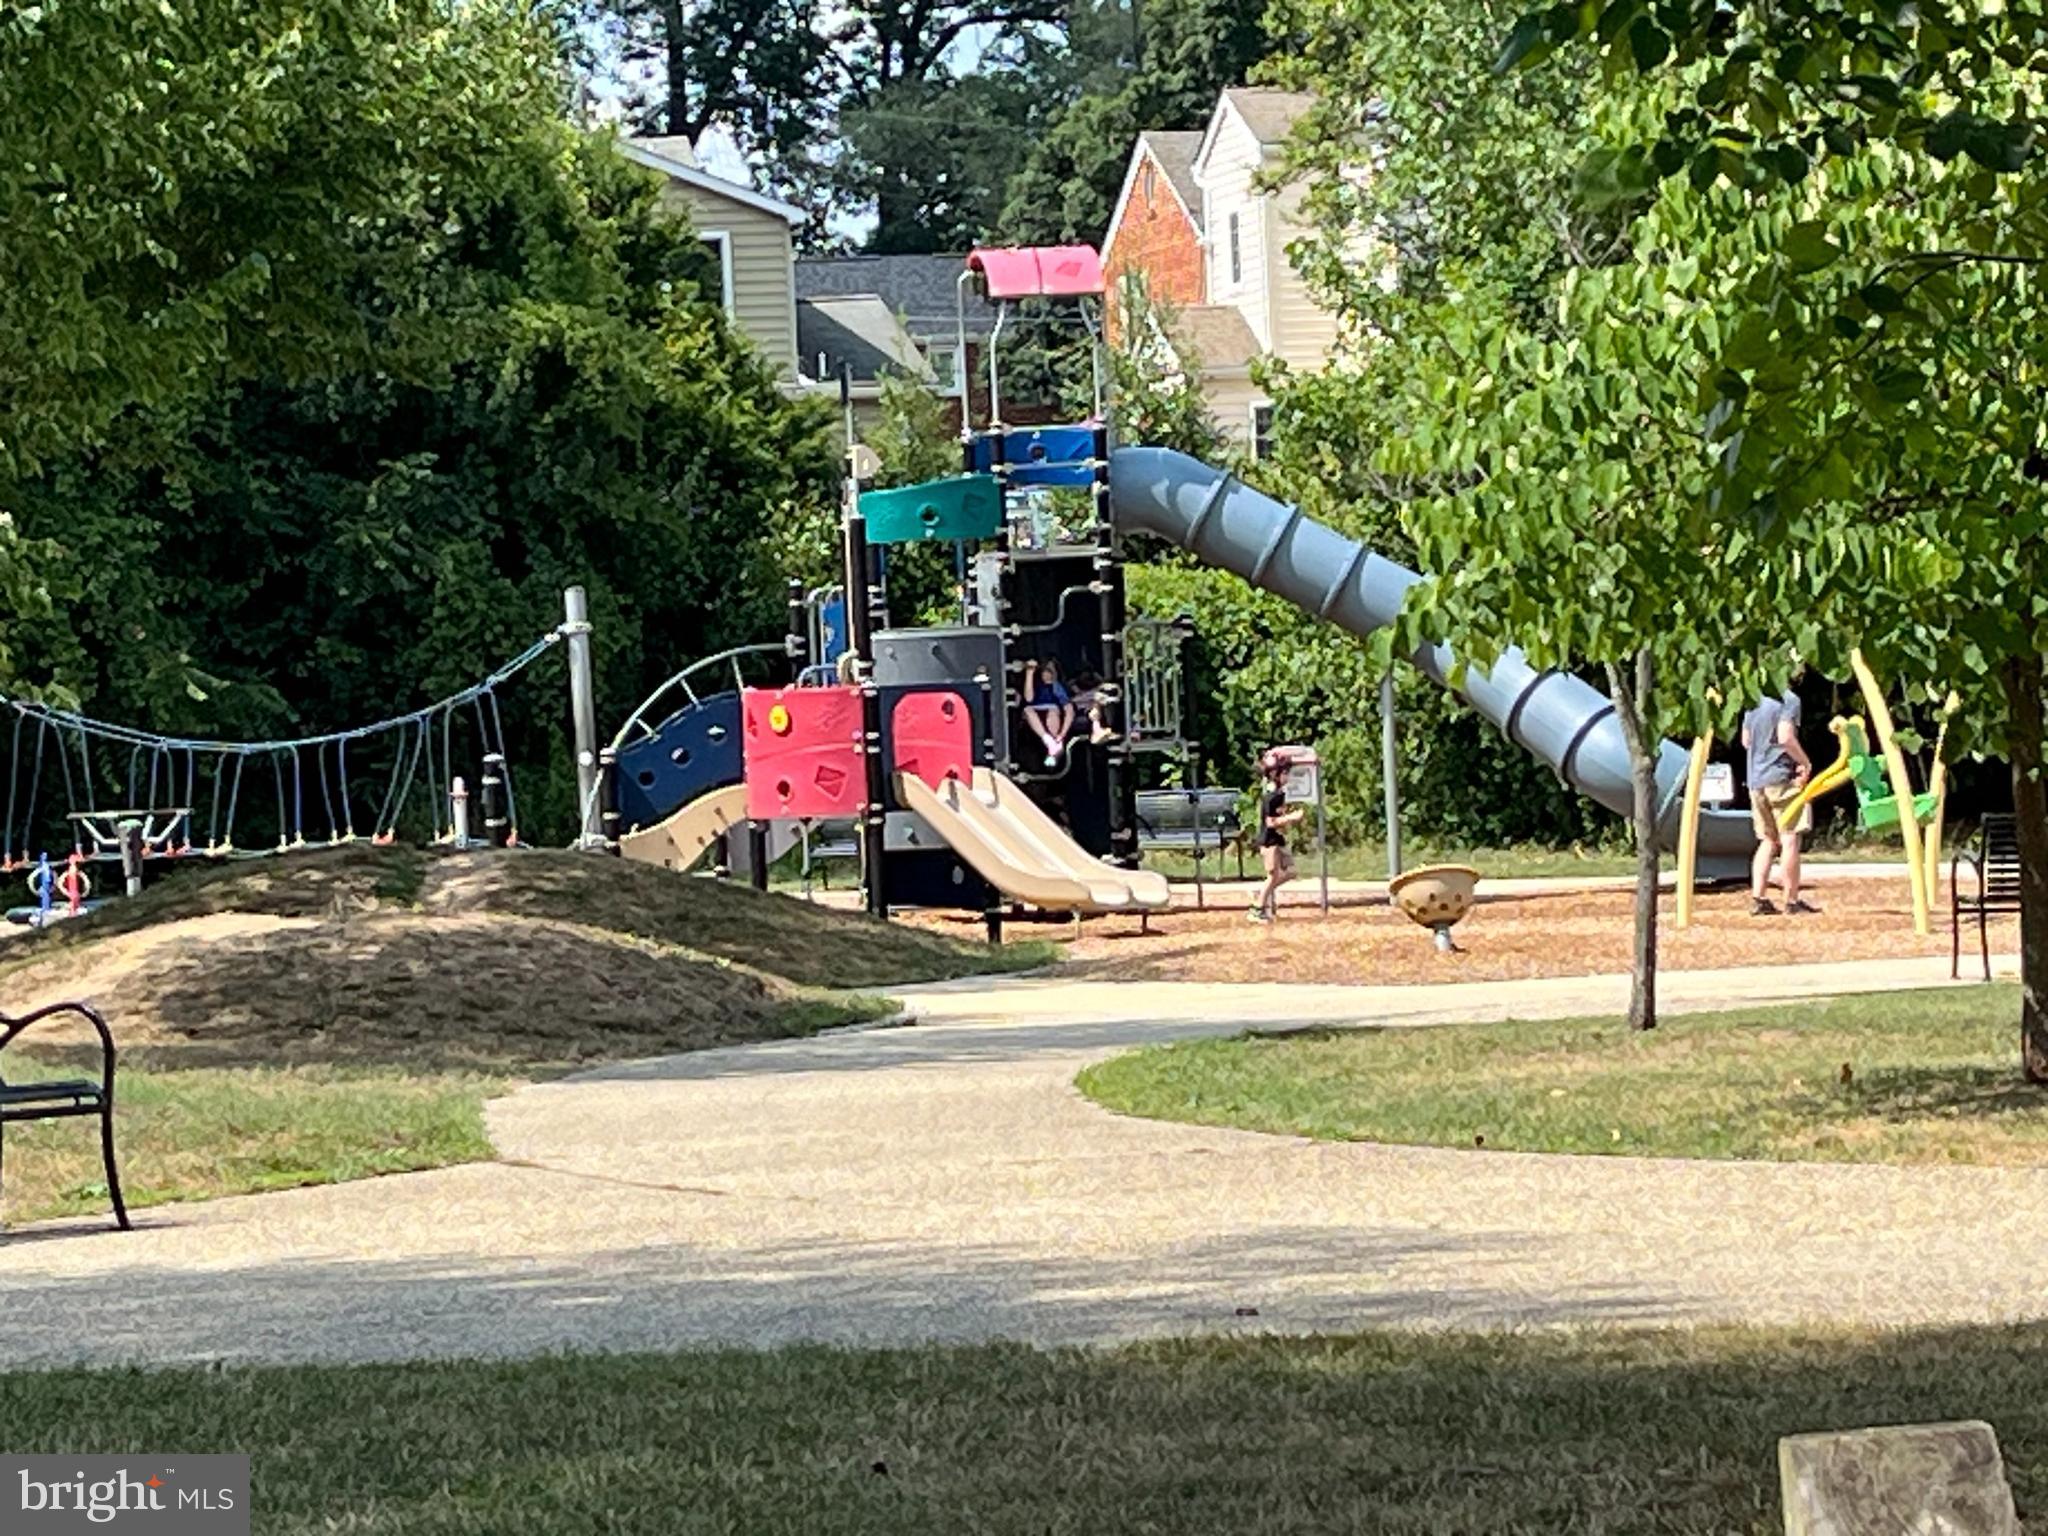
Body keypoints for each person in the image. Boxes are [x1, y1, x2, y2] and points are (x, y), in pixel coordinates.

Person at [1742, 684, 1818, 916]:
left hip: (1756, 781)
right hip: (1780, 779)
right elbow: (1785, 737)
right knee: (1789, 838)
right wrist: (1805, 762)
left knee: (1767, 840)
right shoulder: (1789, 700)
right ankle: (1791, 901)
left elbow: (1746, 740)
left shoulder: (1753, 697)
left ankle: (1759, 898)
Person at [1249, 751, 1305, 924]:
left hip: (1278, 839)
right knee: (1273, 875)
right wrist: (1292, 818)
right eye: (1285, 773)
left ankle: (1262, 892)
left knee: (1291, 872)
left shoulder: (1280, 793)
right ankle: (1258, 909)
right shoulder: (1272, 795)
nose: (1288, 776)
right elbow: (1270, 822)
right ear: (1275, 774)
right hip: (1269, 840)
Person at [1022, 659, 1076, 767]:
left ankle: (1054, 747)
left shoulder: (1057, 687)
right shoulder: (1035, 684)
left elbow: (1068, 708)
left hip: (1052, 711)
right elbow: (1028, 698)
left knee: (1052, 713)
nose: (1047, 674)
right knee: (1028, 710)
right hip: (1034, 710)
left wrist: (1062, 734)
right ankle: (1048, 740)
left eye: (1050, 671)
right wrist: (1029, 673)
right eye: (1045, 670)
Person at [1069, 668, 1116, 746]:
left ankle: (1100, 731)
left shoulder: (1098, 689)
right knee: (1094, 707)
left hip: (1098, 710)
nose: (1086, 679)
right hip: (1081, 711)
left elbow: (1105, 685)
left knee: (1098, 703)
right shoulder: (1074, 692)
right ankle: (1097, 732)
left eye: (1088, 677)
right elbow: (1072, 699)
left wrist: (1095, 675)